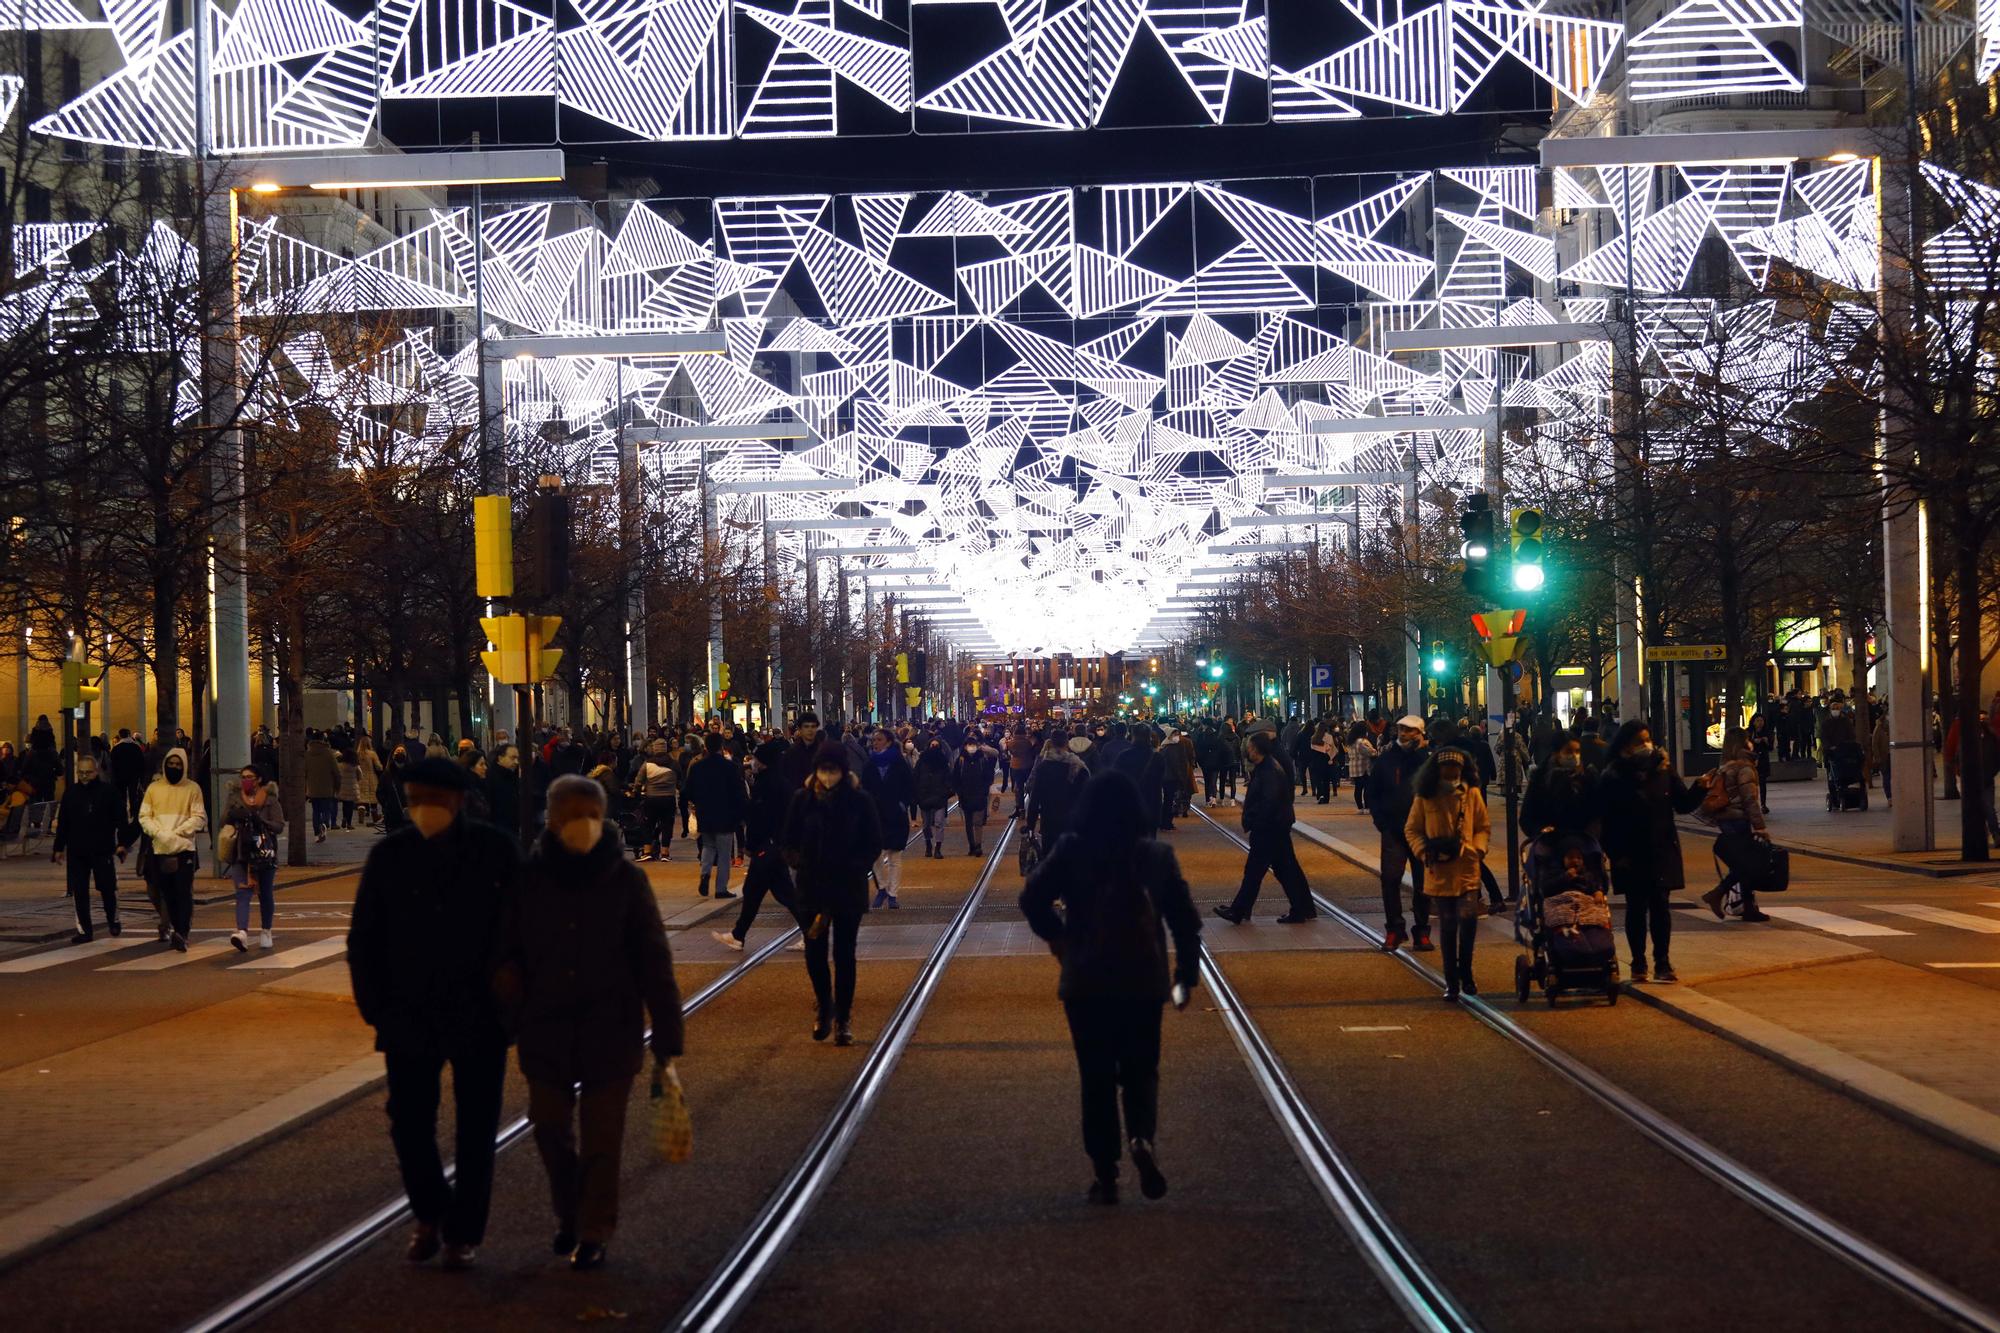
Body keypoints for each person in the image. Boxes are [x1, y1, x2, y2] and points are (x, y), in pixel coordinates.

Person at [495, 774, 682, 1272]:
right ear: (553, 820)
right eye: (570, 814)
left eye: (588, 814)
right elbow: (506, 954)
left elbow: (652, 958)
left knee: (603, 1140)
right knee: (548, 1127)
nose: (580, 824)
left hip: (610, 1028)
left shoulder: (626, 879)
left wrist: (667, 1028)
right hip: (545, 1028)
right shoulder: (529, 877)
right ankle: (569, 1212)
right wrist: (507, 1016)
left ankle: (594, 1228)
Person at [346, 757, 520, 1270]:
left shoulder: (495, 851)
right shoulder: (390, 855)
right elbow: (364, 937)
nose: (423, 810)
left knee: (477, 1129)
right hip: (408, 1012)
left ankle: (463, 1231)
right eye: (415, 799)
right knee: (408, 1124)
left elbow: (520, 929)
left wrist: (512, 1000)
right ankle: (430, 1211)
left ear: (459, 801)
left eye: (433, 800)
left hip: (479, 1012)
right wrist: (374, 1006)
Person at [1019, 770, 1201, 1205]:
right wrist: (1184, 977)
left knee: (1095, 1077)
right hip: (1143, 976)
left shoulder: (1072, 850)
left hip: (1086, 976)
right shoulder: (1156, 856)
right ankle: (1141, 1137)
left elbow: (1032, 898)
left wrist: (1059, 937)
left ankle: (1105, 1171)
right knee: (1141, 1069)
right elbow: (1184, 920)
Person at [781, 746, 882, 1046]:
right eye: (823, 770)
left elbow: (872, 841)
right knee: (814, 953)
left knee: (844, 953)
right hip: (812, 887)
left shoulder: (859, 800)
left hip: (847, 887)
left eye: (833, 770)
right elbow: (788, 839)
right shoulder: (802, 800)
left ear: (843, 771)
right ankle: (824, 1006)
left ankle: (844, 1017)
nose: (828, 777)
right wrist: (798, 860)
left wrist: (857, 865)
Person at [1593, 721, 1706, 984]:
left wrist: (1701, 787)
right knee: (1636, 909)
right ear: (1624, 747)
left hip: (1661, 849)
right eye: (1638, 741)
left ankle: (1662, 962)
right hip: (1629, 852)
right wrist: (1613, 852)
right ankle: (1638, 962)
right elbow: (1605, 820)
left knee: (1661, 908)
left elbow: (1683, 804)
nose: (1646, 745)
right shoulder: (1613, 776)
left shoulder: (1663, 769)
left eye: (1648, 739)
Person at [1403, 746, 1490, 1000]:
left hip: (1466, 866)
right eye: (1447, 770)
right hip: (1438, 868)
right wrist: (1423, 851)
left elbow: (1483, 826)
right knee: (1449, 924)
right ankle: (1452, 980)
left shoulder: (1471, 794)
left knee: (1469, 921)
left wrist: (1478, 849)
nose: (1452, 774)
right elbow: (1412, 829)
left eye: (1456, 770)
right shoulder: (1425, 797)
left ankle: (1467, 972)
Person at [1213, 729, 1314, 924]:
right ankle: (1302, 908)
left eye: (1250, 747)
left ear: (1257, 750)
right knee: (1286, 870)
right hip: (1276, 826)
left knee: (1255, 871)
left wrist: (1255, 822)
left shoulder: (1268, 770)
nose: (1248, 751)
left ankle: (1239, 910)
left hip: (1269, 829)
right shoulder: (1267, 767)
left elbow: (1269, 801)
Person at [1366, 717, 1431, 952]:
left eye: (1411, 731)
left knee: (1423, 885)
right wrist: (1381, 821)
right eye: (1402, 730)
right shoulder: (1386, 760)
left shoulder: (1427, 760)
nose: (1405, 735)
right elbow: (1372, 792)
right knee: (1390, 879)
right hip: (1393, 829)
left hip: (1423, 832)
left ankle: (1422, 931)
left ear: (1421, 734)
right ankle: (1394, 928)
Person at [138, 746, 206, 952]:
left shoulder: (192, 789)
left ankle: (182, 932)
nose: (174, 767)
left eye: (178, 764)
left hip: (184, 848)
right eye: (171, 764)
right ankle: (176, 927)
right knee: (166, 893)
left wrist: (180, 831)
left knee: (183, 891)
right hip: (159, 849)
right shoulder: (154, 789)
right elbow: (144, 816)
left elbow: (199, 817)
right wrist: (158, 833)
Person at [1701, 730, 1772, 924]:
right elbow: (1749, 799)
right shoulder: (1744, 767)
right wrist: (1759, 826)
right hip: (1738, 819)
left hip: (1727, 819)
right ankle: (1719, 894)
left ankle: (1747, 907)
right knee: (1746, 864)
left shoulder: (1726, 765)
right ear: (1742, 743)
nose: (1751, 743)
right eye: (1748, 740)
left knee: (1743, 864)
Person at [52, 754, 123, 942]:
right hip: (77, 850)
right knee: (80, 891)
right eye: (81, 772)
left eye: (88, 773)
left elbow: (120, 819)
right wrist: (59, 847)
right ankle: (84, 931)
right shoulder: (71, 793)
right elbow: (64, 823)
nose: (84, 776)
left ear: (96, 771)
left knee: (107, 888)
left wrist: (121, 844)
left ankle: (113, 920)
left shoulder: (108, 792)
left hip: (102, 849)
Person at [221, 764, 284, 950]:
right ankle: (242, 932)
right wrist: (232, 815)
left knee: (265, 894)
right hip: (242, 852)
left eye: (249, 777)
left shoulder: (270, 800)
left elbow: (279, 825)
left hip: (264, 852)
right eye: (243, 777)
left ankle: (266, 930)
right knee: (242, 893)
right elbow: (222, 821)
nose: (245, 780)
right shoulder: (235, 797)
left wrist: (261, 821)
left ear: (259, 780)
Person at [682, 733, 745, 899]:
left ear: (706, 747)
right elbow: (738, 792)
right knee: (724, 853)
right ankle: (720, 888)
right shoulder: (729, 767)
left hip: (705, 812)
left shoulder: (697, 767)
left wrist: (697, 803)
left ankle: (705, 873)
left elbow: (687, 791)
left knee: (708, 846)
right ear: (721, 746)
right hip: (725, 814)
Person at [860, 729, 915, 909]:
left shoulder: (899, 762)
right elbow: (864, 787)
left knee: (895, 857)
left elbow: (909, 784)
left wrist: (902, 803)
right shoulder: (869, 764)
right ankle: (882, 887)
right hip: (875, 815)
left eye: (879, 739)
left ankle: (892, 894)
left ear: (889, 742)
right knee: (875, 855)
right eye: (874, 740)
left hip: (895, 815)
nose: (875, 743)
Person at [949, 735, 999, 856]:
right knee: (968, 823)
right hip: (965, 796)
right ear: (965, 747)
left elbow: (989, 776)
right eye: (969, 745)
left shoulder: (982, 759)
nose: (971, 748)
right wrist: (959, 791)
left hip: (980, 795)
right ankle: (971, 845)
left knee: (977, 822)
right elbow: (955, 778)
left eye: (973, 745)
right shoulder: (960, 761)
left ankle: (978, 845)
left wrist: (984, 789)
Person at [630, 742, 679, 862]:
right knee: (667, 825)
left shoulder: (647, 764)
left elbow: (639, 780)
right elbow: (680, 779)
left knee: (648, 825)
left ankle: (647, 851)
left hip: (651, 799)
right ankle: (665, 853)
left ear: (654, 749)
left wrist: (636, 791)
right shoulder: (674, 764)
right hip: (669, 798)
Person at [912, 736, 953, 859]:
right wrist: (917, 792)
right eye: (932, 745)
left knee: (939, 822)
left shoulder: (943, 762)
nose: (934, 748)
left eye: (936, 746)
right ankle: (928, 844)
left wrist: (946, 791)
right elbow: (916, 777)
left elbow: (948, 778)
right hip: (924, 795)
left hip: (939, 796)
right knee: (926, 824)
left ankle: (938, 848)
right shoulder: (921, 761)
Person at [305, 731, 339, 841]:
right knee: (325, 809)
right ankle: (324, 823)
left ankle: (316, 832)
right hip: (327, 786)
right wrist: (337, 786)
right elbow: (336, 771)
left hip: (312, 787)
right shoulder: (328, 753)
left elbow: (303, 771)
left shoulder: (307, 754)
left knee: (316, 810)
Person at [1348, 721, 1375, 812]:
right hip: (1363, 767)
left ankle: (1359, 807)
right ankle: (1367, 806)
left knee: (1358, 788)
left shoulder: (1351, 741)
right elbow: (1369, 752)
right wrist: (1375, 751)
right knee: (1367, 788)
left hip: (1354, 767)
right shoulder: (1361, 741)